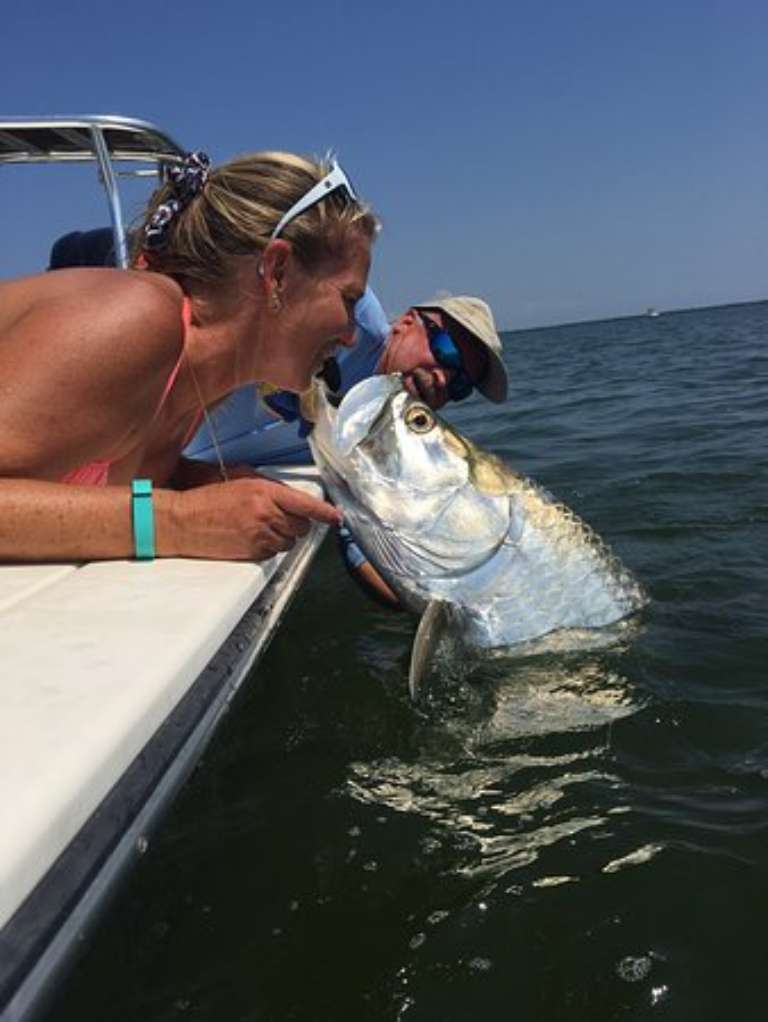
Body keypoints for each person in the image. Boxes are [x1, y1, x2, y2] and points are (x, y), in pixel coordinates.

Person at [0, 150, 377, 563]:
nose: (351, 337)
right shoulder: (134, 316)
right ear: (278, 272)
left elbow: (80, 455)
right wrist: (180, 520)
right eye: (348, 299)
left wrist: (191, 477)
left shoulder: (198, 383)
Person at [186, 292, 508, 606]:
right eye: (446, 351)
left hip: (182, 469)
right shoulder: (352, 311)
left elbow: (365, 552)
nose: (443, 378)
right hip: (154, 415)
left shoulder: (388, 453)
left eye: (461, 385)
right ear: (407, 322)